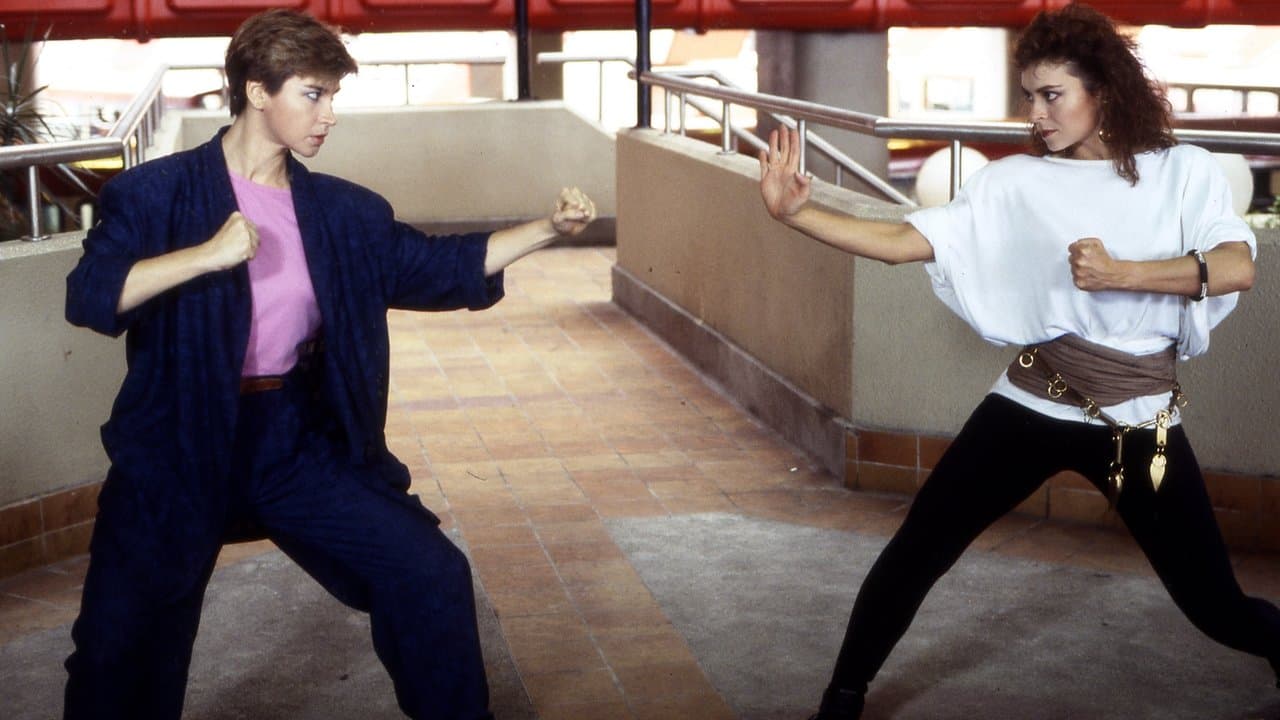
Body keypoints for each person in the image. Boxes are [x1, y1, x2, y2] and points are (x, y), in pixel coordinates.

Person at [62, 9, 596, 720]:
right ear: (257, 92)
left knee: (428, 571)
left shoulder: (342, 212)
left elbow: (438, 265)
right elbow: (90, 296)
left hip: (290, 439)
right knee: (118, 648)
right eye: (313, 94)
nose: (330, 115)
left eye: (333, 95)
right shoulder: (156, 193)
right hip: (177, 443)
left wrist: (548, 229)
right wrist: (206, 256)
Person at [757, 4, 1279, 719]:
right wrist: (796, 214)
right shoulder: (1015, 184)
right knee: (917, 551)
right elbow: (904, 242)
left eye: (1052, 94)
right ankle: (843, 696)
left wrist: (1123, 274)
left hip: (1137, 424)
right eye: (1029, 95)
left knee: (1214, 606)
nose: (1035, 113)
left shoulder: (1183, 172)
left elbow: (1236, 267)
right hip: (1033, 401)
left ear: (1104, 89)